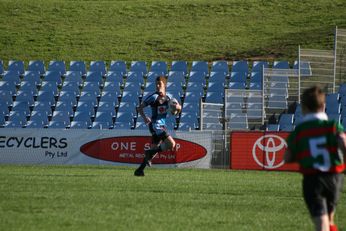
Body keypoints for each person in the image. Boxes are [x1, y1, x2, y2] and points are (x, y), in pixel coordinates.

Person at [284, 86, 345, 231]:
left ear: (303, 108)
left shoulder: (300, 130)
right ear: (323, 106)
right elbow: (343, 141)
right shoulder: (332, 125)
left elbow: (287, 157)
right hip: (334, 178)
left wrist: (299, 155)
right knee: (329, 220)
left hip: (313, 178)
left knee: (321, 223)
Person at [134, 76, 181, 177]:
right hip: (156, 126)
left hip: (161, 126)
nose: (157, 86)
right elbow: (139, 107)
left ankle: (139, 170)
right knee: (171, 144)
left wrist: (177, 109)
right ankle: (149, 153)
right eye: (156, 84)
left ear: (165, 85)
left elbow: (177, 109)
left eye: (160, 84)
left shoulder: (169, 98)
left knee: (153, 151)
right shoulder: (154, 97)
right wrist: (145, 117)